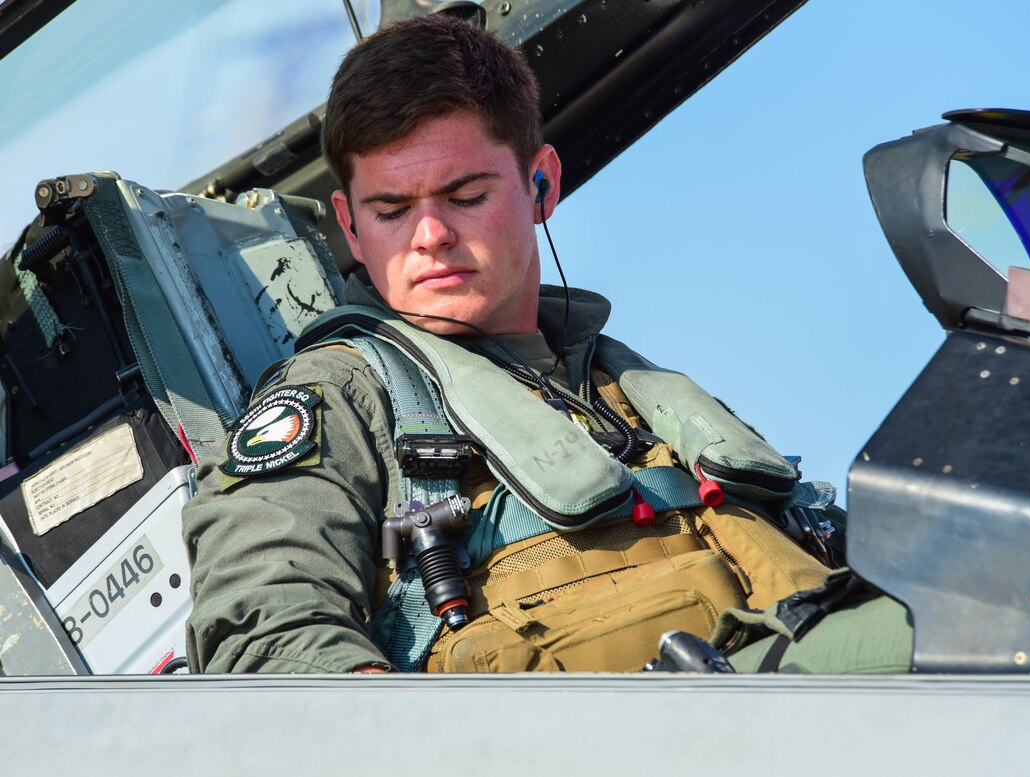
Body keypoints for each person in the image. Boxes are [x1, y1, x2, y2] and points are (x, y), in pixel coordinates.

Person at [182, 14, 846, 674]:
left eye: (464, 195)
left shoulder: (630, 391)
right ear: (352, 231)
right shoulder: (344, 395)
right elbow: (263, 633)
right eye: (391, 211)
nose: (430, 234)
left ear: (542, 183)